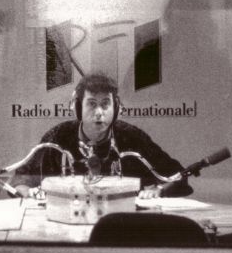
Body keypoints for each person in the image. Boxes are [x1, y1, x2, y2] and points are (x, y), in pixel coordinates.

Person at [13, 73, 192, 196]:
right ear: (78, 108)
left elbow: (177, 176)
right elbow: (20, 180)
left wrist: (159, 190)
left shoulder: (132, 137)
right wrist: (27, 192)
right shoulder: (57, 137)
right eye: (92, 104)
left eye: (105, 104)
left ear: (116, 108)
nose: (99, 112)